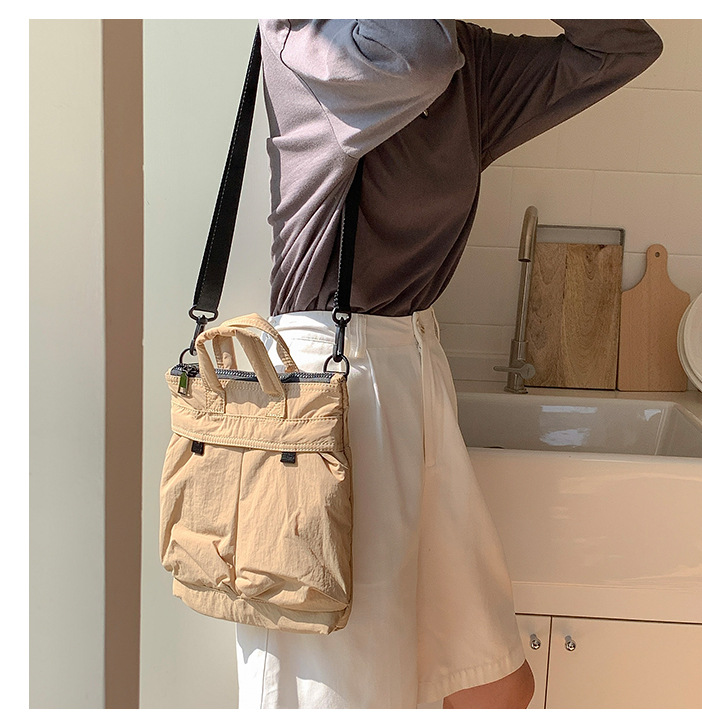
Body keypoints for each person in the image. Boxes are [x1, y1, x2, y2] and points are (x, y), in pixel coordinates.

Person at [235, 19, 663, 709]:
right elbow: (415, 59)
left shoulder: (471, 61)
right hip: (330, 381)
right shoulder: (307, 31)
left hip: (411, 367)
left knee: (493, 683)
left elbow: (622, 47)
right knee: (346, 686)